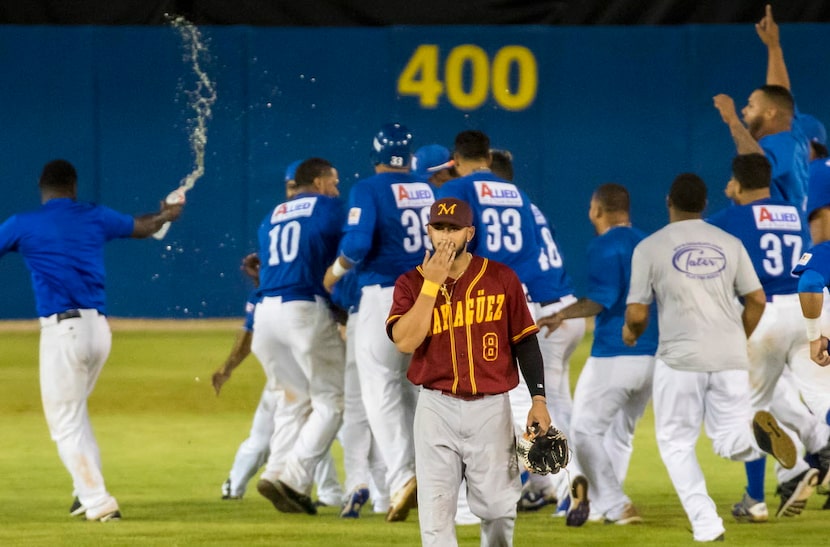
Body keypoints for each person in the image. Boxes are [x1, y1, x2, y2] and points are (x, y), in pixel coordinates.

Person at [0, 159, 183, 521]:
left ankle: (98, 502)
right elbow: (142, 226)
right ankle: (83, 493)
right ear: (73, 187)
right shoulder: (94, 215)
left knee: (65, 423)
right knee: (76, 414)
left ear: (43, 187)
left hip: (63, 331)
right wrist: (165, 215)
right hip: (98, 332)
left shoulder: (23, 224)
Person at [623, 172, 797, 542]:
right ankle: (763, 441)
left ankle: (707, 523)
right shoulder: (730, 243)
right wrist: (739, 337)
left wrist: (631, 333)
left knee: (676, 443)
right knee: (729, 438)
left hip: (680, 360)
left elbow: (637, 314)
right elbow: (757, 300)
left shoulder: (650, 247)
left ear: (669, 201)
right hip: (730, 356)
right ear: (704, 205)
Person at [386, 197, 553, 547]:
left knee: (497, 508)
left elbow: (525, 342)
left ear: (469, 232)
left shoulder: (501, 277)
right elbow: (405, 340)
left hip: (491, 409)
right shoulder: (409, 284)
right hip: (435, 408)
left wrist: (538, 399)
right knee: (435, 515)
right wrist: (431, 285)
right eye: (439, 227)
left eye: (454, 228)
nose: (446, 236)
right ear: (428, 231)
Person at [438, 136, 587, 524]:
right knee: (525, 398)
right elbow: (535, 255)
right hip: (525, 294)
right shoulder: (517, 194)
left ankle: (558, 484)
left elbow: (448, 247)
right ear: (487, 157)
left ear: (455, 161)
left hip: (487, 298)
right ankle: (563, 483)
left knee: (506, 399)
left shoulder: (458, 188)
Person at [707, 153, 830, 520]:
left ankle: (757, 498)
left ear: (739, 184)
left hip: (767, 314)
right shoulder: (794, 209)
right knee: (814, 397)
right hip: (810, 309)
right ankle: (817, 450)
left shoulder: (731, 217)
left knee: (751, 409)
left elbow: (692, 239)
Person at [323, 122, 435, 522]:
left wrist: (333, 274)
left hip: (385, 297)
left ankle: (404, 476)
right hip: (429, 295)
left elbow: (355, 246)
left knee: (379, 392)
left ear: (375, 153)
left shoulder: (368, 189)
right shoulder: (427, 188)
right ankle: (434, 478)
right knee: (417, 393)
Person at [537, 182, 656, 525]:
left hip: (615, 353)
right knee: (621, 433)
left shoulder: (605, 245)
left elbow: (600, 299)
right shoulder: (648, 242)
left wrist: (562, 313)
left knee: (584, 431)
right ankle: (607, 506)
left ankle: (616, 504)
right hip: (652, 357)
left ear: (597, 210)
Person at [253, 157, 347, 515]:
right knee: (332, 400)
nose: (337, 189)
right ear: (320, 182)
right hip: (302, 309)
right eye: (334, 182)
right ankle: (293, 477)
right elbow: (351, 251)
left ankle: (275, 471)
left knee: (292, 401)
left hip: (266, 314)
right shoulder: (330, 208)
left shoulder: (272, 215)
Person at [211, 252, 343, 506]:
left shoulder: (268, 294)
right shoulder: (306, 287)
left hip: (288, 380)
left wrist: (227, 368)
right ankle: (236, 485)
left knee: (305, 430)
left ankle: (327, 492)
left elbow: (250, 334)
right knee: (305, 430)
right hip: (295, 380)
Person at [713, 4, 810, 212]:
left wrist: (732, 121)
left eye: (750, 105)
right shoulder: (794, 131)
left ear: (769, 113)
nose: (744, 111)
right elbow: (778, 92)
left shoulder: (782, 142)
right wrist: (774, 47)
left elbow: (756, 164)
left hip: (770, 236)